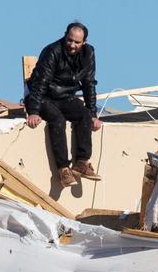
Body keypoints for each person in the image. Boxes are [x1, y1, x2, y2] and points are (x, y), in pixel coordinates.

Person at [25, 22, 102, 187]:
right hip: (44, 96)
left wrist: (93, 114)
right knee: (57, 119)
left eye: (77, 42)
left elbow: (89, 84)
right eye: (69, 40)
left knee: (84, 115)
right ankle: (63, 170)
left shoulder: (89, 53)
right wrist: (33, 111)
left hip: (65, 97)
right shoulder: (52, 51)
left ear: (84, 42)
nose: (72, 45)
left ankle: (82, 163)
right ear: (65, 36)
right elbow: (40, 83)